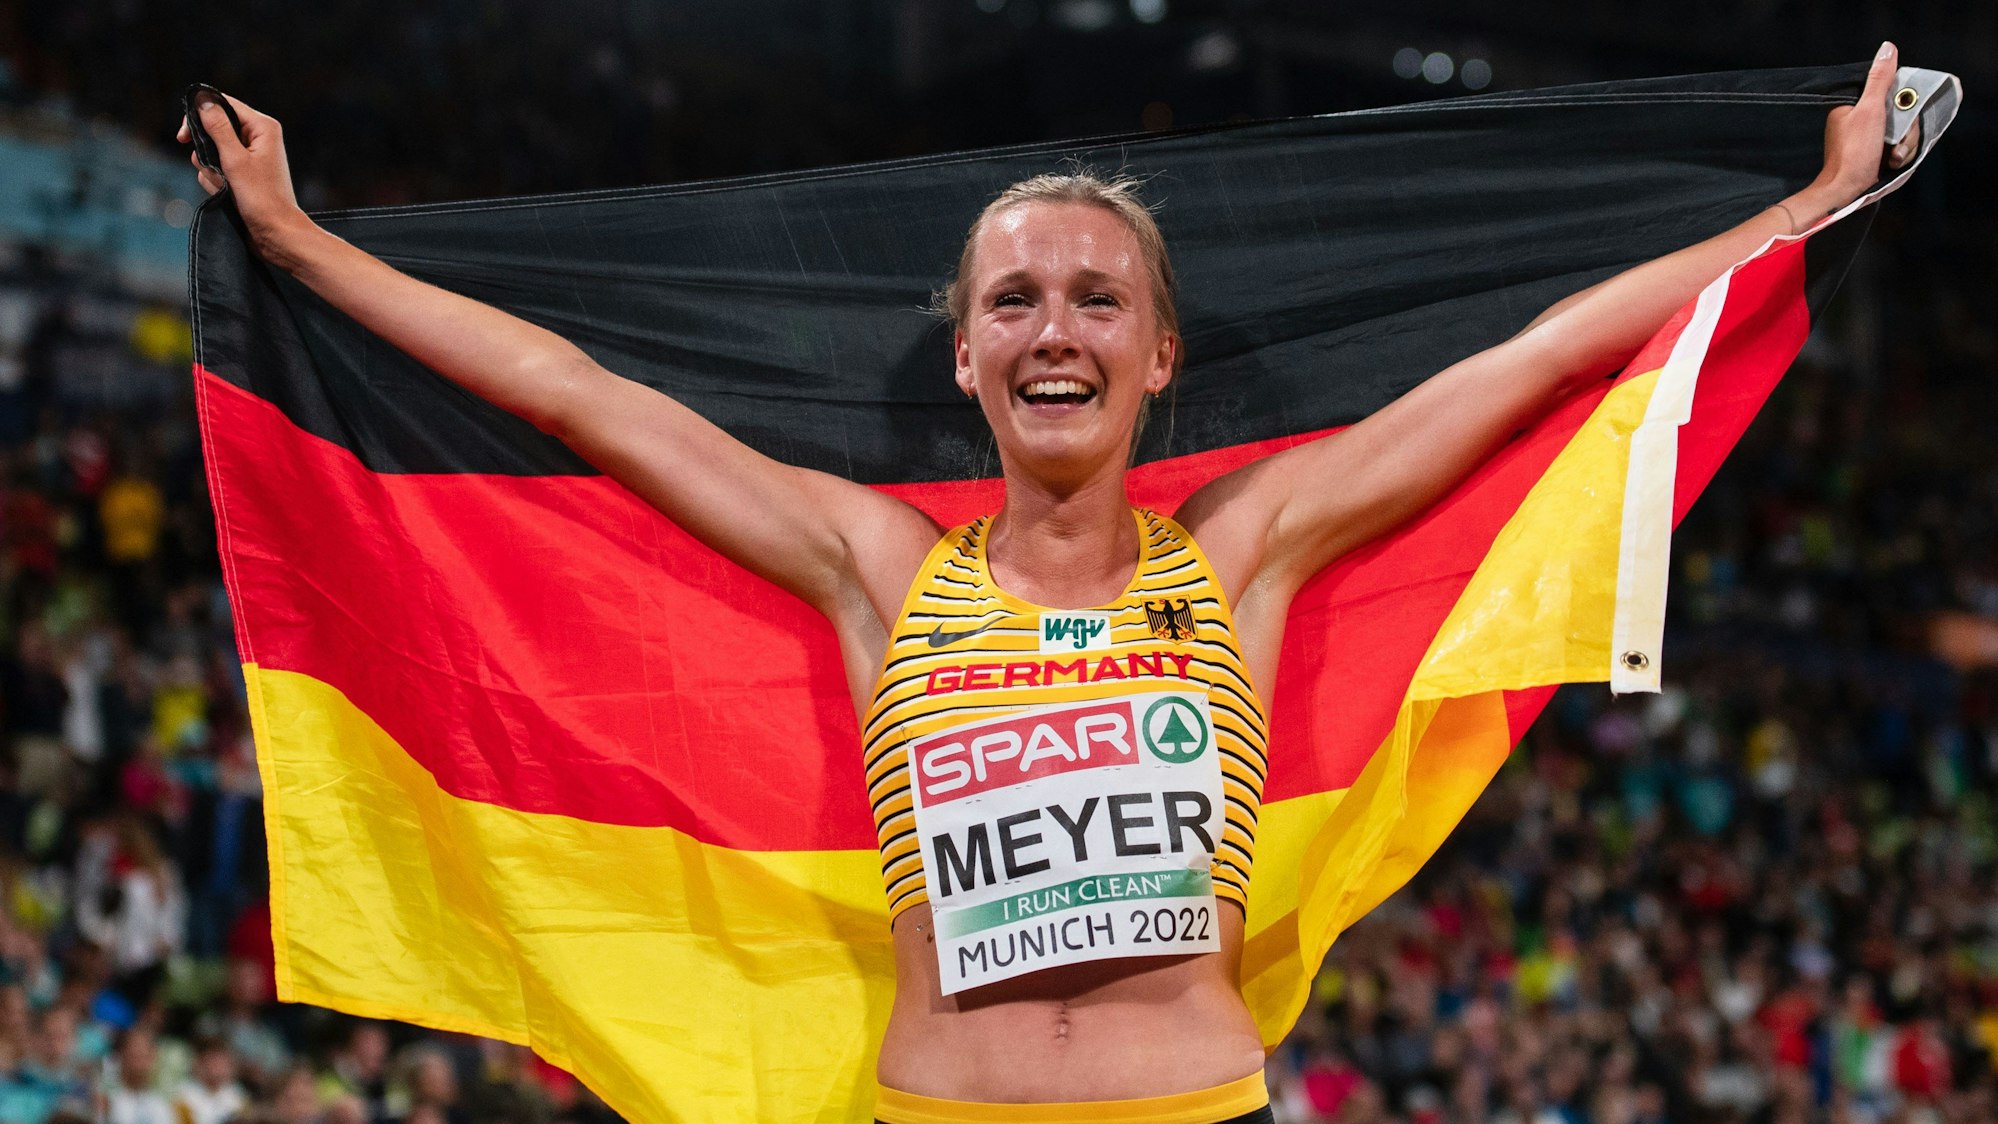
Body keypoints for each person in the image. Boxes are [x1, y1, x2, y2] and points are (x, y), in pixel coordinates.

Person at [177, 43, 1917, 1123]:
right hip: (937, 1116)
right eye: (1012, 298)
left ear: (1158, 357)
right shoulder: (872, 567)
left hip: (1194, 1109)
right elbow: (580, 396)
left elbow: (1538, 361)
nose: (1053, 324)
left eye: (1095, 297)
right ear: (964, 362)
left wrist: (1811, 204)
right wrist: (303, 248)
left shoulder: (1251, 549)